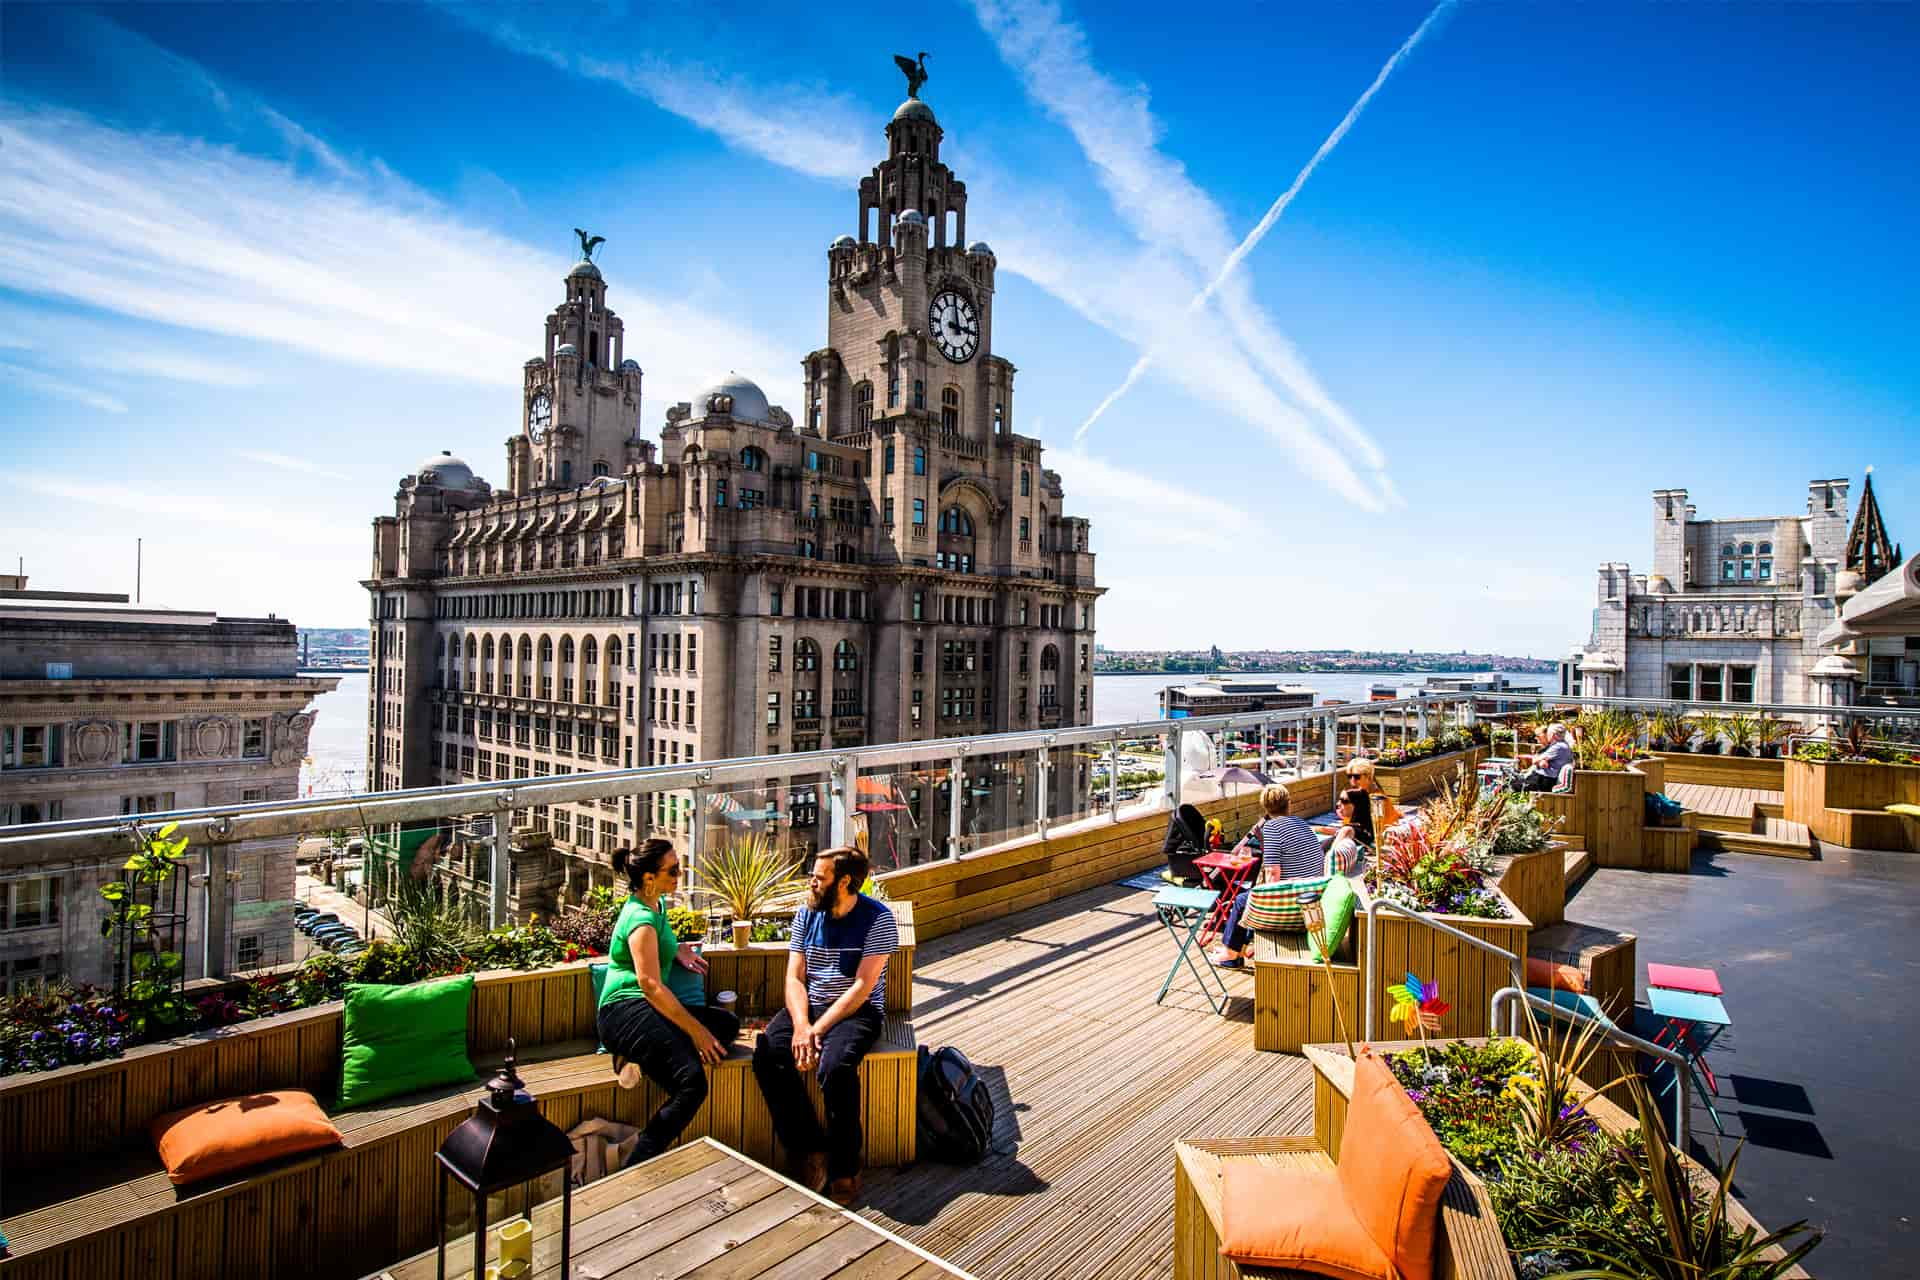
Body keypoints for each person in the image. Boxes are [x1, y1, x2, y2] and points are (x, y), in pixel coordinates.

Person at [752, 846, 898, 1206]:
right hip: (810, 1005)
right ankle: (809, 1150)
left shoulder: (878, 919)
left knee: (835, 1069)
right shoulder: (807, 914)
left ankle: (846, 1166)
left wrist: (817, 1031)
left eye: (819, 877)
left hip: (855, 1012)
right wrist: (802, 1024)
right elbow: (794, 977)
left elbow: (863, 988)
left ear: (844, 882)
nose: (811, 882)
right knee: (767, 1055)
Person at [596, 840, 741, 1163]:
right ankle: (639, 1158)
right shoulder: (641, 919)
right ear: (649, 878)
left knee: (726, 1026)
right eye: (673, 870)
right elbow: (649, 985)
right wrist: (696, 1033)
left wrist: (678, 950)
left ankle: (638, 1057)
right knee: (692, 1083)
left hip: (648, 1008)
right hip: (625, 1009)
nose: (680, 875)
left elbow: (658, 944)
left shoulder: (656, 906)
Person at [1211, 784, 1325, 969]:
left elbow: (1273, 874)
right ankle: (1241, 948)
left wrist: (1265, 898)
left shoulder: (1272, 828)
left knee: (1242, 901)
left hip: (1293, 906)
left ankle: (1230, 955)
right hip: (1311, 897)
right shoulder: (1301, 823)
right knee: (1253, 897)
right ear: (1289, 804)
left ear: (1265, 807)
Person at [1512, 723, 1576, 792]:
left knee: (1512, 785)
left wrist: (1540, 761)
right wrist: (1541, 761)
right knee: (1514, 781)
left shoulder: (1559, 746)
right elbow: (1538, 759)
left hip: (1544, 780)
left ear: (1553, 735)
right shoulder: (1558, 745)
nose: (1547, 735)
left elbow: (1535, 761)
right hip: (1542, 778)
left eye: (1548, 733)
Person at [1343, 758, 1403, 829]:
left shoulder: (1378, 800)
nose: (1352, 781)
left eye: (1357, 777)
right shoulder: (1354, 796)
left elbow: (1383, 828)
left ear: (1368, 777)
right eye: (1349, 776)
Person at [1326, 787, 1375, 875]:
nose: (1338, 804)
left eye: (1344, 801)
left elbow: (1330, 857)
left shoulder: (1348, 830)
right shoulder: (1364, 830)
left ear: (1357, 805)